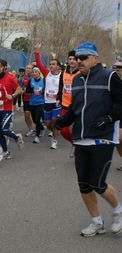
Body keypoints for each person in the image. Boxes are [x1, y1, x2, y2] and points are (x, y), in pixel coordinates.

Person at [55, 42, 122, 237]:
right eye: (77, 57)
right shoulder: (76, 81)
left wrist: (109, 118)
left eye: (83, 57)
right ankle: (96, 222)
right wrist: (62, 121)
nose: (78, 61)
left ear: (95, 58)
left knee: (97, 183)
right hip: (81, 139)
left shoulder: (109, 76)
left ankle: (118, 212)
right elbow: (77, 110)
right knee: (84, 184)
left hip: (103, 138)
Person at [0, 59, 24, 159]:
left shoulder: (8, 78)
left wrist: (13, 96)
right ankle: (6, 152)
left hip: (6, 109)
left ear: (2, 68)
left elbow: (20, 89)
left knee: (4, 130)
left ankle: (17, 137)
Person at [34, 43, 62, 149]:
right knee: (48, 123)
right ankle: (55, 132)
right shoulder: (46, 73)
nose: (51, 66)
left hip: (57, 102)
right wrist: (37, 51)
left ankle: (54, 141)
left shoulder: (62, 75)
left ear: (58, 66)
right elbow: (39, 63)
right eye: (50, 64)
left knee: (54, 120)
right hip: (47, 102)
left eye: (54, 64)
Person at [56, 50, 80, 157]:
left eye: (74, 59)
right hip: (66, 105)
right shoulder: (63, 72)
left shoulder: (81, 73)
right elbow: (61, 86)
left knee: (79, 129)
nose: (72, 61)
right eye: (70, 59)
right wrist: (58, 98)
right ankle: (74, 144)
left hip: (78, 106)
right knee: (63, 130)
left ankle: (82, 149)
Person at [25, 67, 45, 144]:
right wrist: (31, 89)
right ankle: (42, 128)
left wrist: (42, 92)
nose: (34, 73)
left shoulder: (43, 81)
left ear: (39, 73)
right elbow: (27, 90)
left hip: (40, 102)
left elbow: (45, 90)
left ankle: (37, 137)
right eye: (33, 72)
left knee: (37, 119)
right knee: (34, 120)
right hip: (32, 102)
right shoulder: (31, 81)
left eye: (36, 72)